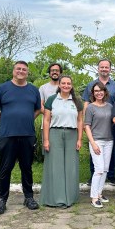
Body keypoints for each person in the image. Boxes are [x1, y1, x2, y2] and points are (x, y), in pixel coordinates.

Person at [0, 61, 41, 215]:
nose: (21, 71)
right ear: (13, 71)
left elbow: (38, 109)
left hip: (27, 135)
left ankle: (29, 197)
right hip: (8, 135)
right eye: (18, 68)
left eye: (24, 69)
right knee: (5, 168)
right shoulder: (3, 88)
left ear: (27, 72)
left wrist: (27, 120)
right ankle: (1, 200)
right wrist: (4, 120)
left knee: (27, 168)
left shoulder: (33, 90)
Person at [40, 75, 83, 208]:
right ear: (59, 85)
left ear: (71, 85)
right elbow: (46, 120)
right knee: (55, 166)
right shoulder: (52, 99)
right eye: (63, 83)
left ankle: (70, 197)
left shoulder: (76, 101)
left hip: (71, 134)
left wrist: (79, 139)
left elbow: (80, 121)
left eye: (68, 83)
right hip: (54, 133)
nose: (65, 85)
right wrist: (46, 140)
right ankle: (55, 198)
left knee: (71, 167)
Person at [82, 59, 115, 186]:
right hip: (96, 121)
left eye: (106, 67)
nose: (104, 69)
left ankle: (110, 175)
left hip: (111, 122)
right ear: (98, 69)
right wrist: (85, 121)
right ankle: (94, 173)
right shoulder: (91, 85)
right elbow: (86, 103)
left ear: (110, 69)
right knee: (95, 148)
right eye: (102, 67)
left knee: (110, 149)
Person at [85, 82, 113, 208]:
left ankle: (99, 193)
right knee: (99, 169)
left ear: (105, 92)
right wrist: (93, 143)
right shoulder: (90, 107)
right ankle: (94, 197)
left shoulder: (110, 106)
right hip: (96, 141)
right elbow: (87, 126)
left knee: (105, 169)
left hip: (109, 141)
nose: (99, 93)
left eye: (101, 90)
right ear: (93, 93)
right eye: (96, 91)